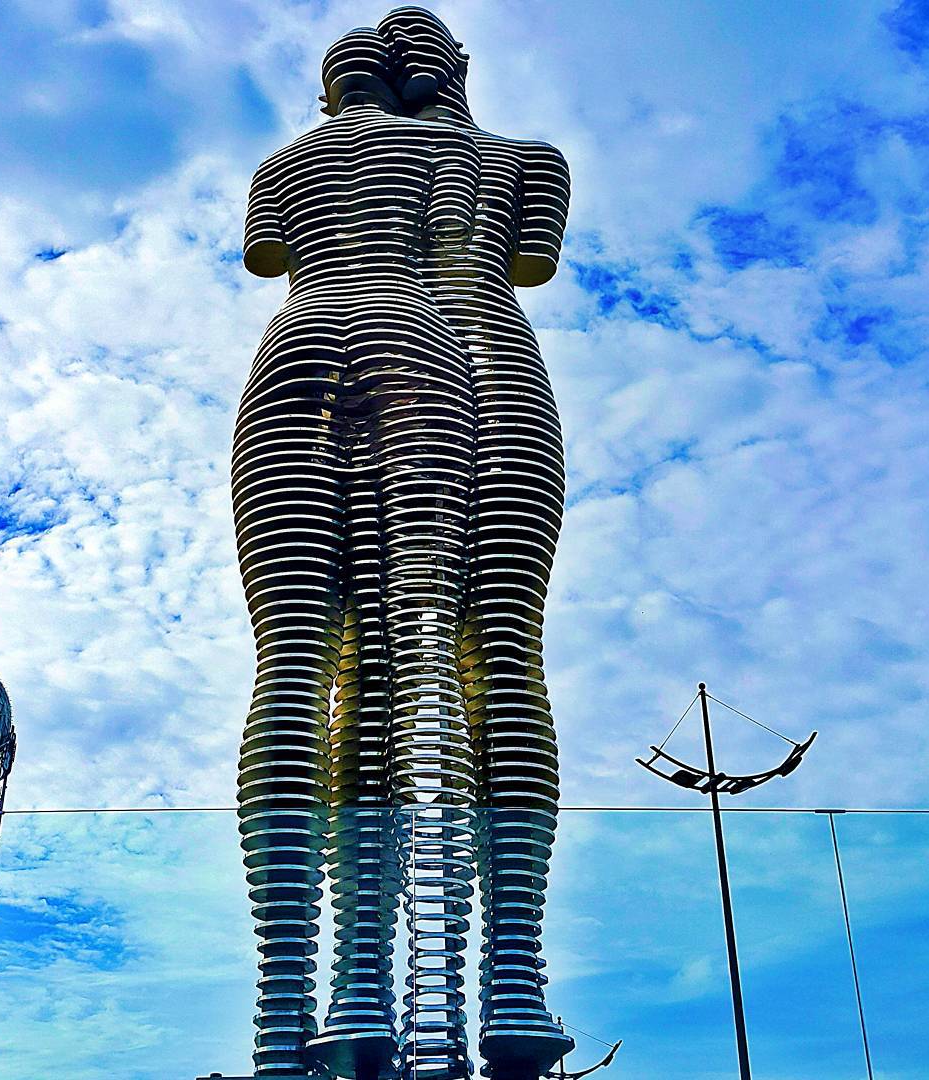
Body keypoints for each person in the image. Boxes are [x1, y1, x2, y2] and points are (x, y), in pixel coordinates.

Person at [234, 27, 482, 1078]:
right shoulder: (451, 150)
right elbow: (465, 253)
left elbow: (268, 256)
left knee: (292, 659)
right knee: (425, 647)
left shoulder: (281, 164)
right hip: (416, 335)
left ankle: (282, 1017)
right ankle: (435, 1008)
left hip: (293, 343)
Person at [375, 8, 574, 1079]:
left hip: (452, 356)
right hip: (478, 352)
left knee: (455, 649)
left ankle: (487, 981)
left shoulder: (526, 158)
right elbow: (523, 260)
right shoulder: (524, 158)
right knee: (482, 649)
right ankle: (497, 987)